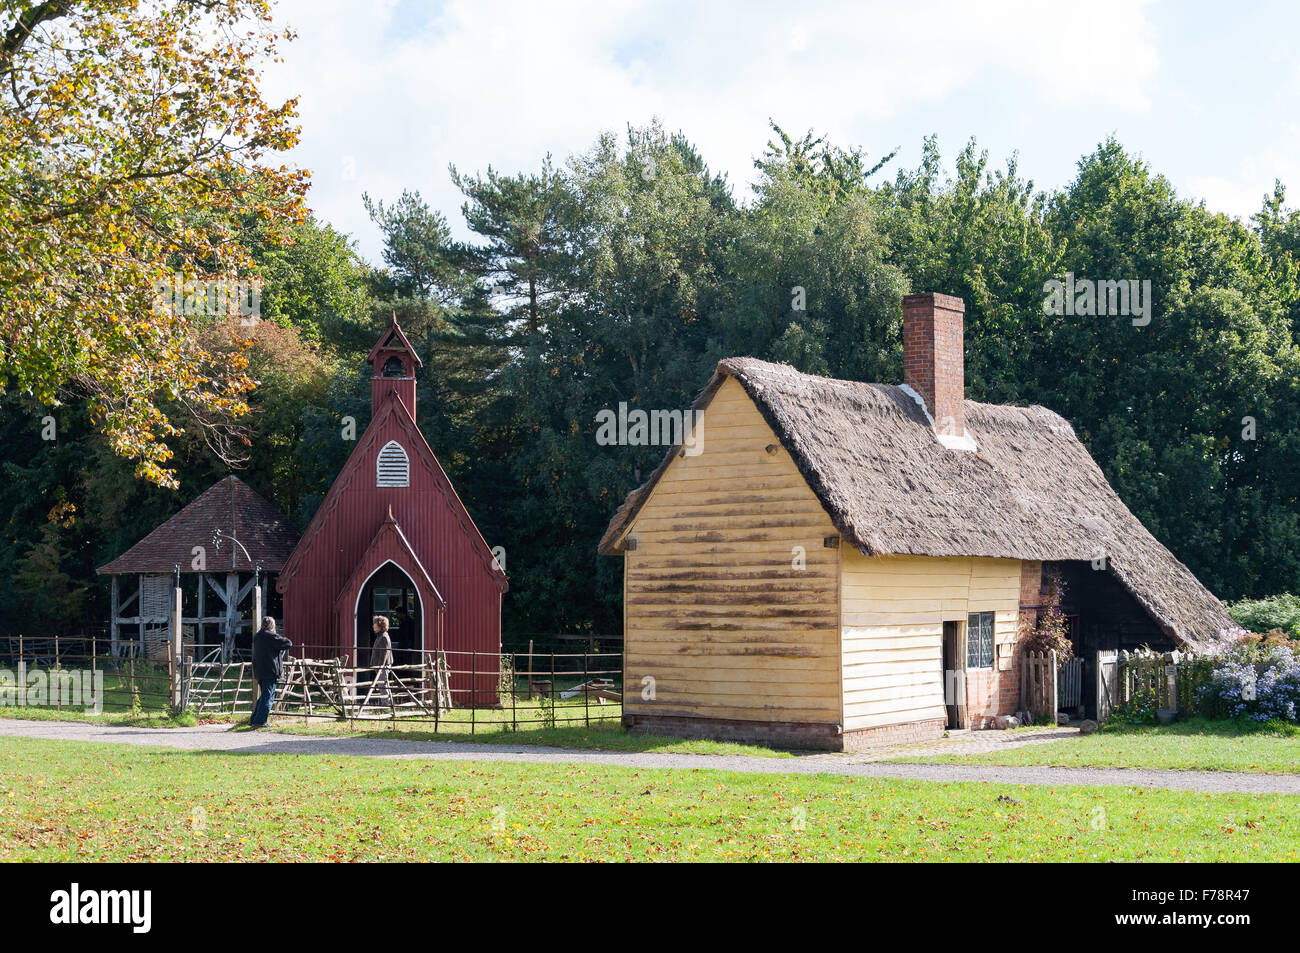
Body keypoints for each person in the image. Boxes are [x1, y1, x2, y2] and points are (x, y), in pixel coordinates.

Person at [250, 617, 292, 727]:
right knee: (268, 696)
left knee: (264, 695)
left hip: (259, 670)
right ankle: (260, 721)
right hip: (269, 670)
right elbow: (288, 643)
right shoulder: (270, 636)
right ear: (272, 625)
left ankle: (254, 719)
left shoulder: (257, 636)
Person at [368, 615, 393, 702]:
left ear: (380, 626)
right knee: (381, 685)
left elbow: (384, 654)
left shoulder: (384, 637)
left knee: (383, 686)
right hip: (378, 665)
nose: (373, 626)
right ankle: (386, 704)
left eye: (375, 624)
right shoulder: (380, 636)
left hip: (382, 666)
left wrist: (380, 667)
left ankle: (386, 705)